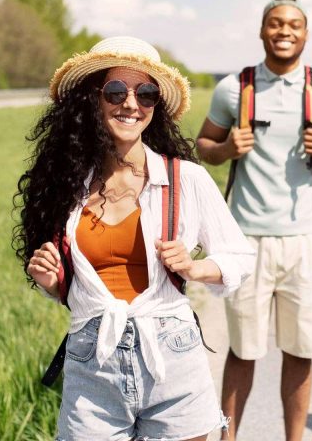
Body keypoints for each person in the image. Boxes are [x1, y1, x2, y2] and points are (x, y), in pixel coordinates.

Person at [14, 36, 256, 440]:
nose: (131, 104)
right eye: (115, 91)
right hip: (93, 364)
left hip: (173, 359)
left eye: (145, 94)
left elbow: (240, 258)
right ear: (91, 99)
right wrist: (54, 283)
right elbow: (75, 287)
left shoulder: (185, 179)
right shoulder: (64, 186)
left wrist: (195, 268)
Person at [196, 0, 312, 441]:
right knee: (242, 351)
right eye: (275, 23)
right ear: (262, 31)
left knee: (301, 350)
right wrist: (227, 148)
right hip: (245, 240)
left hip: (305, 239)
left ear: (306, 34)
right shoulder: (234, 88)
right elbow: (204, 146)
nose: (284, 31)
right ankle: (228, 438)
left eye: (293, 24)